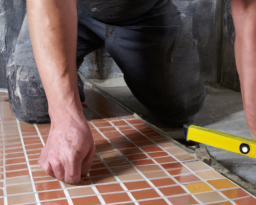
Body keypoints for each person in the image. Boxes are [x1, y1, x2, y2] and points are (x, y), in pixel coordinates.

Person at [25, 0, 249, 185]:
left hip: (143, 14)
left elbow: (249, 10)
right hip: (64, 9)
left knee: (179, 106)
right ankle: (70, 75)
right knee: (35, 99)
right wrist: (65, 117)